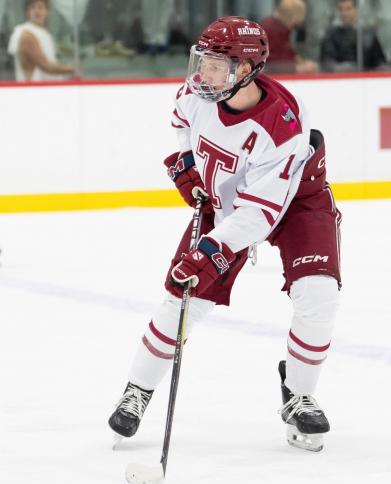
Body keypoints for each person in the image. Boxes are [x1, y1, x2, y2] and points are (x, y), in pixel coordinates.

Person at [108, 16, 342, 453]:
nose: (203, 73)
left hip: (296, 203)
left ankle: (299, 394)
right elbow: (181, 121)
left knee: (318, 294)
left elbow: (259, 213)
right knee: (183, 296)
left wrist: (210, 249)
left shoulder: (283, 125)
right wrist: (185, 164)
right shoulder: (198, 94)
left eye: (216, 66)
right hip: (228, 202)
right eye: (202, 61)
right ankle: (137, 390)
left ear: (246, 69)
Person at [7, 0, 77, 81]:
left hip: (47, 86)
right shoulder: (26, 34)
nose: (37, 11)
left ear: (47, 12)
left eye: (40, 7)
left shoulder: (45, 34)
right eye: (33, 7)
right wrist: (72, 69)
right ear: (27, 12)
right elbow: (45, 66)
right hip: (32, 87)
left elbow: (51, 63)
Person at [320, 0, 386, 71]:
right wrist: (345, 68)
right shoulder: (331, 35)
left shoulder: (368, 35)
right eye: (341, 9)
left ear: (356, 10)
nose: (344, 13)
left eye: (348, 9)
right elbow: (327, 62)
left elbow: (380, 62)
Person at [260, 0, 319, 74]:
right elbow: (271, 65)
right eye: (297, 21)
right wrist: (298, 69)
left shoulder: (281, 26)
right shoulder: (270, 29)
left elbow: (286, 51)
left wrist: (299, 60)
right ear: (293, 17)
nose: (298, 24)